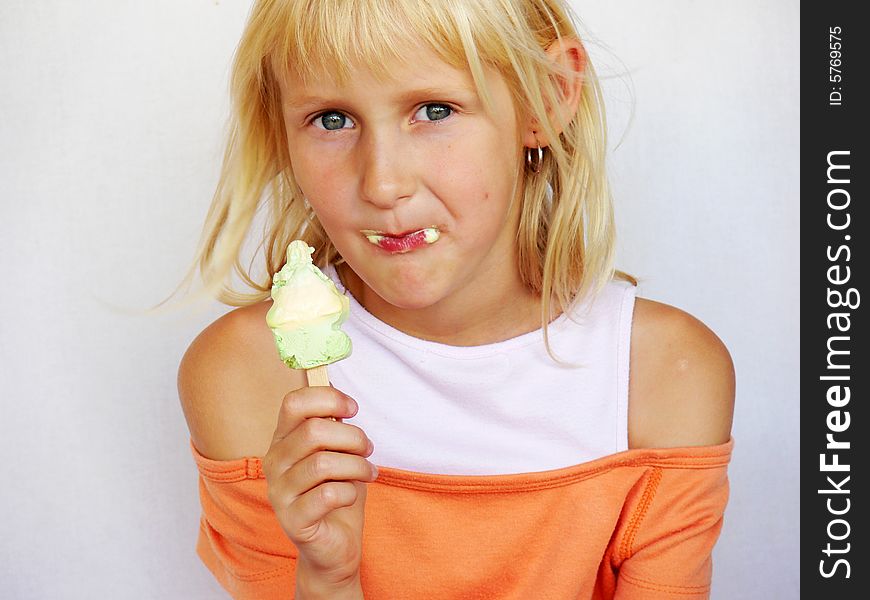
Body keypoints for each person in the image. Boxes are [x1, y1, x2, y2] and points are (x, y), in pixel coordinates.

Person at [174, 0, 735, 598]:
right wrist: (327, 579)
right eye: (332, 119)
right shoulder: (248, 375)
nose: (383, 183)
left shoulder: (663, 375)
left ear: (548, 97)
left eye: (434, 110)